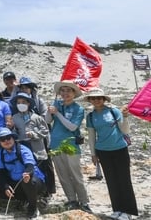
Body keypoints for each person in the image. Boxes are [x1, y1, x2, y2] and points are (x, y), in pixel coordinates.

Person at [84, 88, 138, 220]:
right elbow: (91, 136)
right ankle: (117, 209)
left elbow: (125, 130)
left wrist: (125, 117)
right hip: (102, 151)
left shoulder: (114, 111)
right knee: (111, 181)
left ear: (104, 99)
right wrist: (93, 154)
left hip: (120, 149)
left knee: (124, 180)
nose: (96, 100)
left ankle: (128, 211)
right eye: (93, 98)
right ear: (90, 100)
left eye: (99, 98)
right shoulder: (90, 116)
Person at [46, 81, 91, 212]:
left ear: (74, 93)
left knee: (75, 174)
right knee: (63, 175)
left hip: (71, 145)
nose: (65, 93)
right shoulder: (57, 104)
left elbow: (72, 126)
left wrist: (58, 114)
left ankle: (84, 201)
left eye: (68, 91)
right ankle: (71, 199)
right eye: (63, 90)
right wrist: (50, 111)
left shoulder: (78, 109)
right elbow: (47, 121)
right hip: (55, 144)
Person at [0, 127, 45, 219]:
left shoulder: (23, 150)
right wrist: (6, 186)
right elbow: (2, 172)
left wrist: (27, 173)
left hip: (33, 180)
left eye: (8, 138)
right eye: (3, 139)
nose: (6, 141)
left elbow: (30, 166)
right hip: (15, 181)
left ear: (13, 138)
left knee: (27, 182)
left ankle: (33, 207)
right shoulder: (0, 154)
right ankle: (23, 199)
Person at [11, 92, 55, 195]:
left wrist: (34, 134)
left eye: (23, 102)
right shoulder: (15, 118)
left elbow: (45, 131)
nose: (21, 104)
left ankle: (45, 193)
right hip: (23, 147)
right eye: (18, 102)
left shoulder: (36, 117)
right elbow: (13, 132)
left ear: (28, 104)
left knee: (41, 170)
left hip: (37, 148)